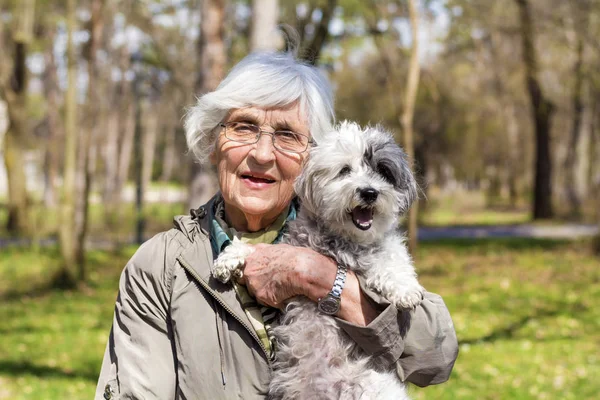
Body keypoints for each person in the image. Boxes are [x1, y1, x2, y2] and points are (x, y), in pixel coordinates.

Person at [95, 50, 458, 400]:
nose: (262, 154)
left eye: (287, 135)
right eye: (243, 127)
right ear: (212, 142)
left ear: (314, 159)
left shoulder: (354, 236)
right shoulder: (160, 267)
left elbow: (434, 357)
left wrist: (320, 278)